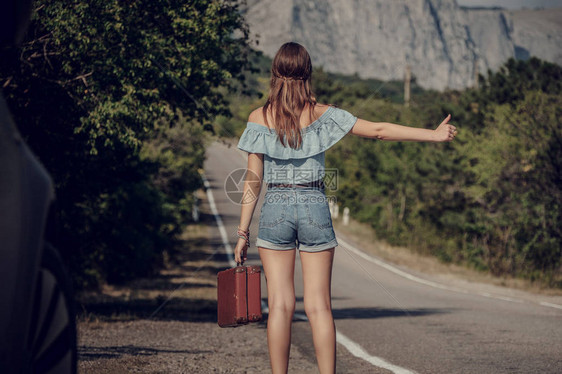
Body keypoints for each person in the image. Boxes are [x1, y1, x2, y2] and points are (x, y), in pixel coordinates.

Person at [233, 42, 457, 374]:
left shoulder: (259, 117)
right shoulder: (325, 114)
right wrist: (433, 135)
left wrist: (242, 233)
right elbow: (380, 131)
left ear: (274, 73)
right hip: (314, 203)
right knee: (319, 307)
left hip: (276, 206)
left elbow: (253, 179)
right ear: (308, 73)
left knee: (279, 306)